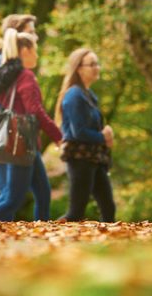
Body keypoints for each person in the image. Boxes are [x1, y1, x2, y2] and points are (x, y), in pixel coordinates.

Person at [0, 29, 63, 221]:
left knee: (43, 191)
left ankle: (42, 232)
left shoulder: (8, 74)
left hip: (23, 139)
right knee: (12, 198)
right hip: (21, 140)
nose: (37, 55)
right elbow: (35, 110)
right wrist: (57, 135)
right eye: (35, 50)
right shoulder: (25, 76)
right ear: (25, 50)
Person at [56, 48, 116, 222]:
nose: (97, 67)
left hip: (93, 158)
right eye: (92, 64)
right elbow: (78, 132)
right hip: (80, 157)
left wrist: (106, 135)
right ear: (79, 68)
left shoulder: (88, 95)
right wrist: (103, 137)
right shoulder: (74, 95)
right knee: (76, 212)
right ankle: (51, 240)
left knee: (108, 207)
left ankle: (111, 245)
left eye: (97, 63)